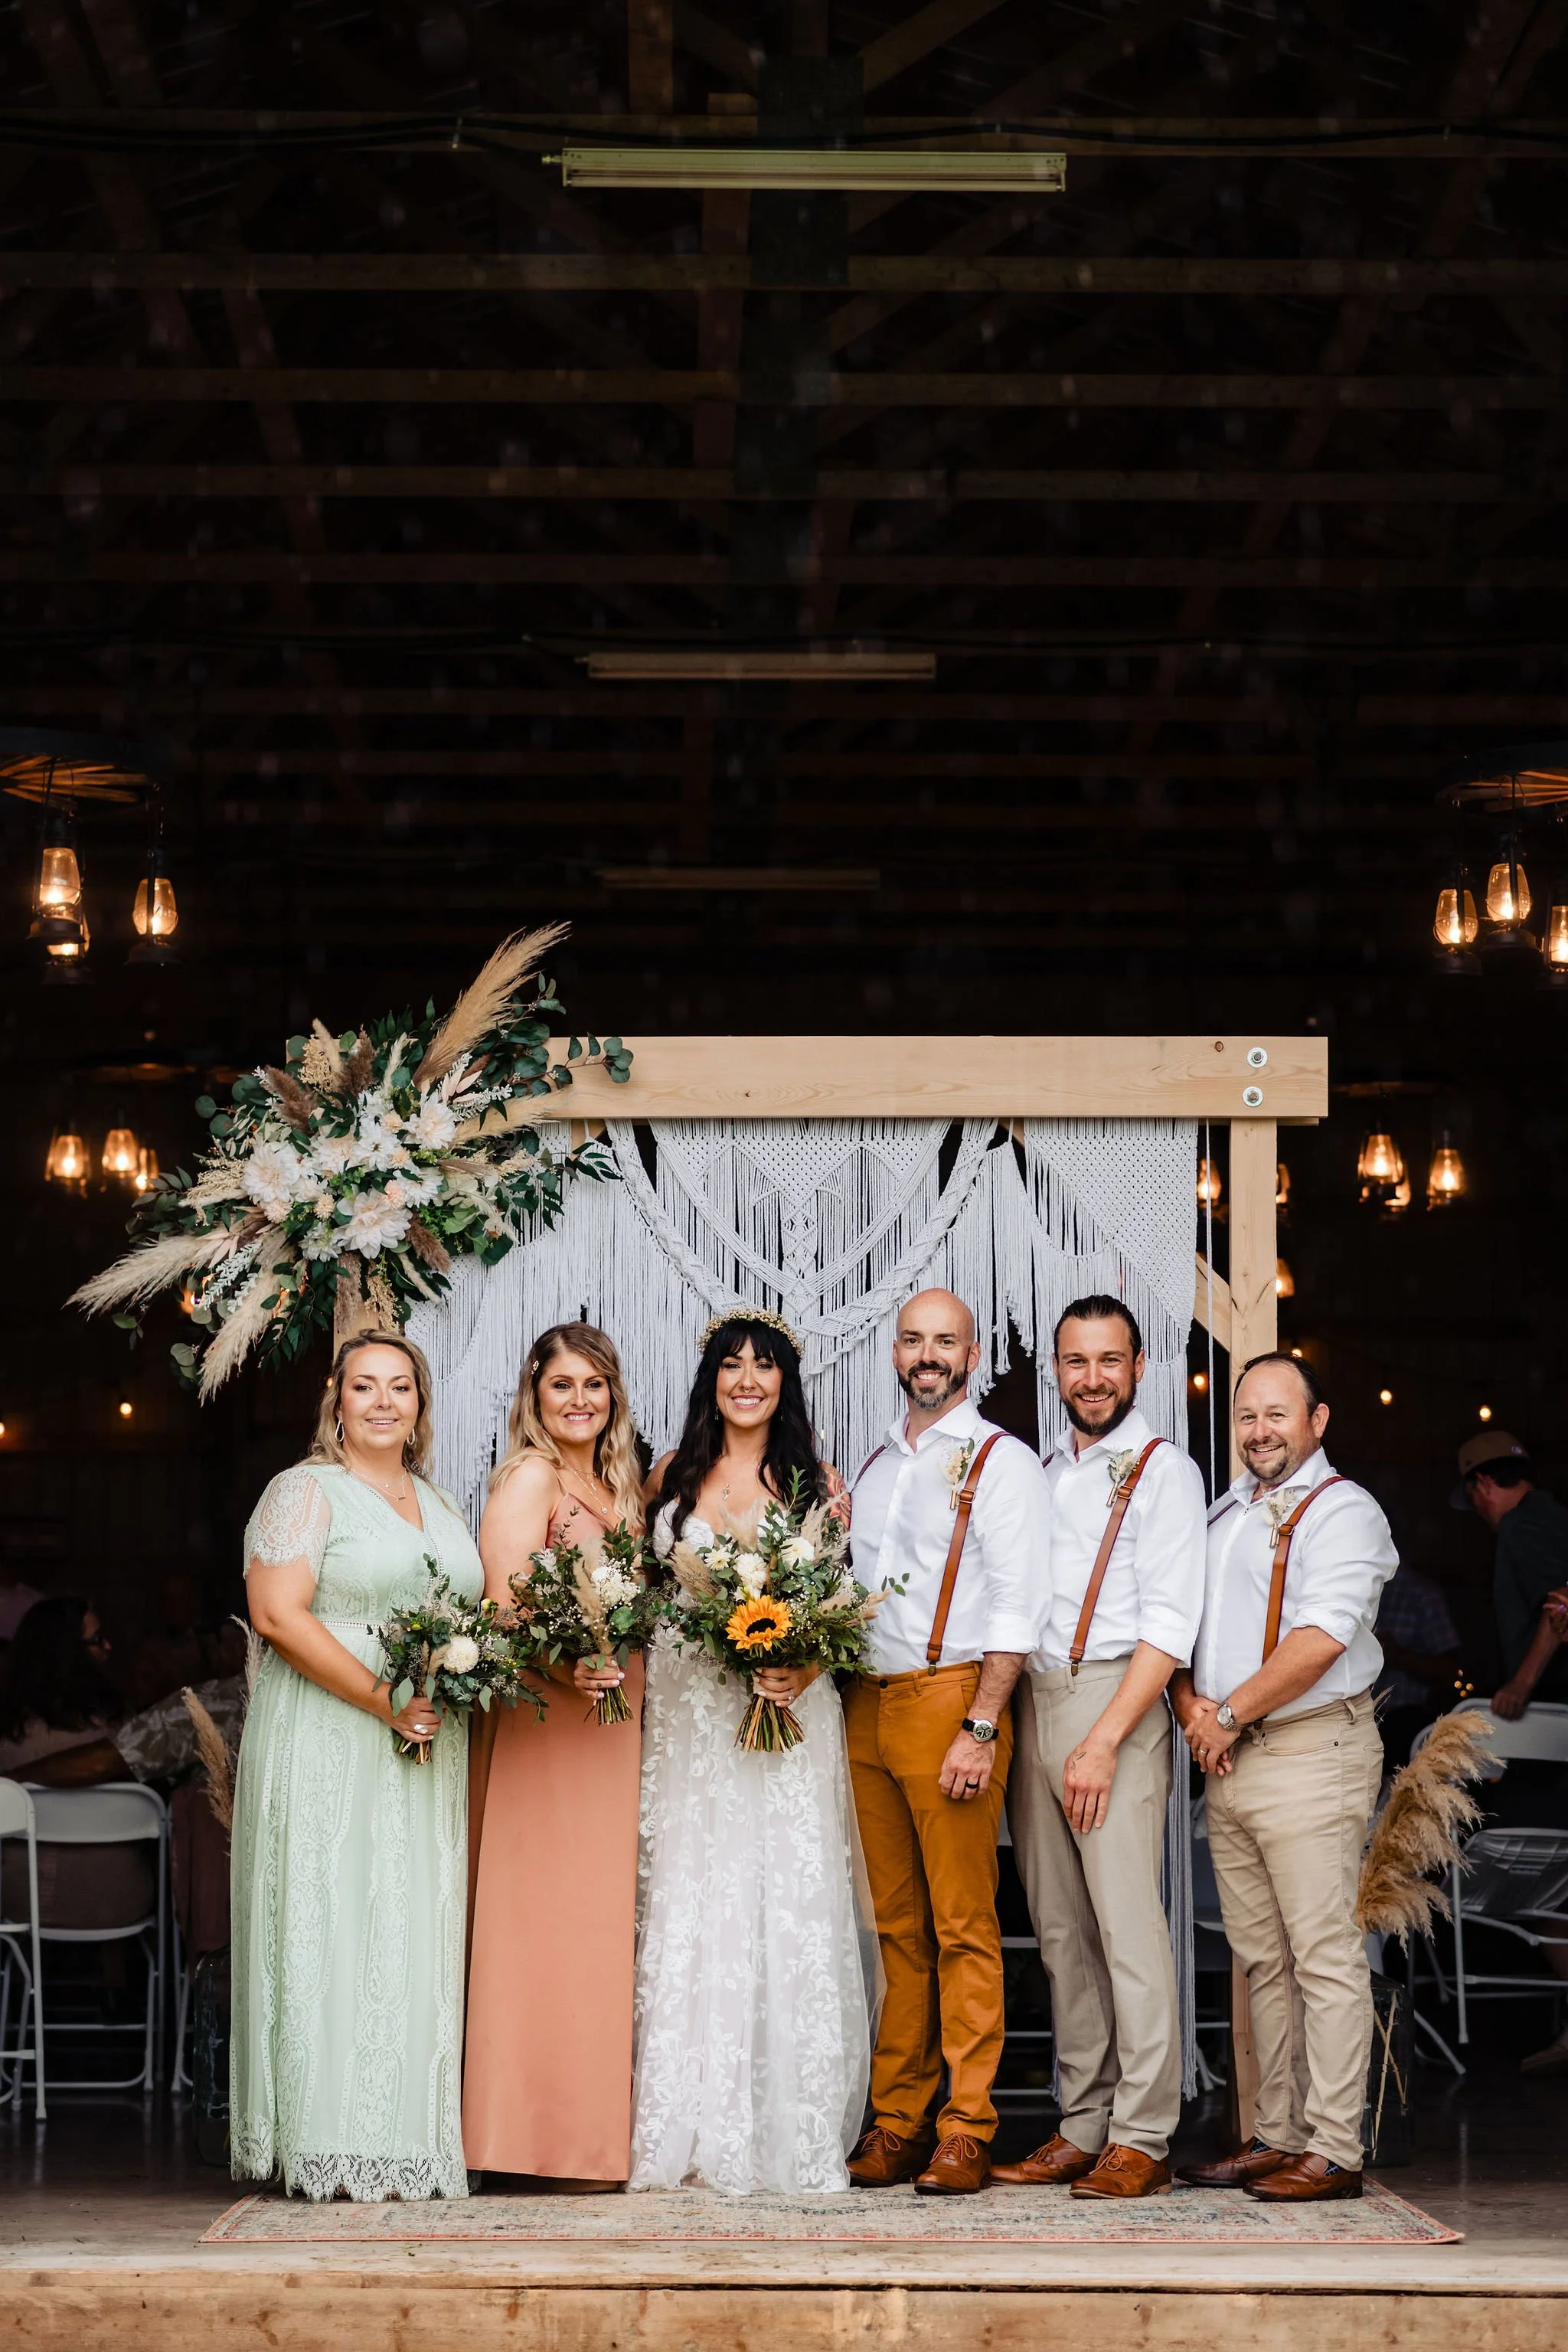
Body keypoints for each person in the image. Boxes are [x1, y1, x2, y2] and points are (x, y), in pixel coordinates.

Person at [230, 1330, 483, 2202]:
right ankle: (323, 2136)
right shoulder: (304, 1492)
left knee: (412, 1920)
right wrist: (381, 1697)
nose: (383, 1402)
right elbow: (276, 1614)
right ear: (336, 1401)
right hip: (332, 1729)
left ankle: (403, 2137)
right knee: (330, 1911)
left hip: (424, 1735)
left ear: (420, 1405)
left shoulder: (440, 1501)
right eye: (364, 1387)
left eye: (400, 1388)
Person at [633, 1308, 869, 2195]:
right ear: (710, 1380)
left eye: (763, 1367)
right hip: (693, 1719)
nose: (746, 1380)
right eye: (730, 1365)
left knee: (782, 1899)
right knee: (696, 1898)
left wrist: (799, 1664)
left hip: (783, 1721)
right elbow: (646, 1599)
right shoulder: (671, 1475)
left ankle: (784, 2126)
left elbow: (838, 1611)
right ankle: (691, 2121)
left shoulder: (814, 1482)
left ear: (784, 1384)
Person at [1171, 1352, 1396, 2204]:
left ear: (1317, 1421)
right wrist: (1196, 1711)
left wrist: (1223, 1717)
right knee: (1259, 1960)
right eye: (1245, 1417)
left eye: (1276, 1414)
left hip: (1309, 1748)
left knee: (1324, 1956)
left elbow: (1319, 1639)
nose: (1259, 1431)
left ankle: (1333, 2147)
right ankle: (1276, 2133)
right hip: (1228, 1754)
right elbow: (1180, 1624)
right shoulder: (1225, 1512)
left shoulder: (1344, 1513)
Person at [995, 1296, 1206, 2201]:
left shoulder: (1162, 1472)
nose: (1091, 1378)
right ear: (1055, 1370)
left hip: (1110, 1696)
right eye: (1075, 1362)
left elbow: (1169, 1623)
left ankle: (1145, 2133)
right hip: (1035, 1697)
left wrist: (1104, 1738)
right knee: (1057, 1930)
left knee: (1126, 1927)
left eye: (1108, 1361)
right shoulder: (1042, 1472)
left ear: (1138, 1368)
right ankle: (1081, 2121)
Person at [843, 1287, 1051, 2197]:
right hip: (865, 1702)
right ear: (895, 1354)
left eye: (945, 1342)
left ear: (972, 1357)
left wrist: (980, 1721)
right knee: (895, 1928)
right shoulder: (875, 1464)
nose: (927, 1355)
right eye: (912, 1341)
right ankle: (898, 2118)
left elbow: (1018, 1601)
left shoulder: (1002, 1462)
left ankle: (966, 2125)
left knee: (964, 1925)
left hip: (949, 1701)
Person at [464, 1322, 646, 2187]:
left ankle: (593, 2142)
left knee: (605, 1927)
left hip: (614, 1721)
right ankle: (524, 2140)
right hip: (551, 1721)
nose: (579, 1400)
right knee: (544, 1923)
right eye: (561, 1385)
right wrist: (567, 1662)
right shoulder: (530, 1478)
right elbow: (502, 1607)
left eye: (594, 1385)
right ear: (534, 1396)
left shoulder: (618, 1482)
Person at [1452, 1431, 1568, 1717]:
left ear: (1483, 1483)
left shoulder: (1519, 1524)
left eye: (1472, 1497)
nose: (1477, 1509)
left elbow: (1561, 1600)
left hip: (1552, 1701)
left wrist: (1521, 1684)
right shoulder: (1554, 1514)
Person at [0, 1595, 119, 1776]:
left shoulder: (11, 1734)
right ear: (68, 1652)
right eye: (97, 1639)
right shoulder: (111, 1726)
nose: (108, 1646)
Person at [1373, 1563, 1460, 1771]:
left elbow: (1448, 1669)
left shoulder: (1421, 1594)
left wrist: (1395, 1653)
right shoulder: (1345, 1588)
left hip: (1402, 1719)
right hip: (1349, 1715)